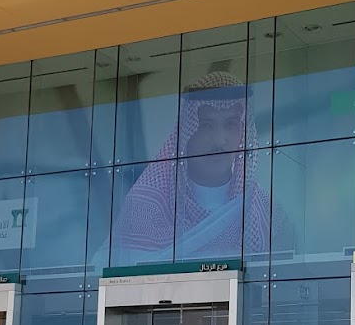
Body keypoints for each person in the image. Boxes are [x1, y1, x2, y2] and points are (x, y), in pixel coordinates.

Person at [112, 71, 292, 263]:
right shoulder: (144, 208)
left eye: (231, 125)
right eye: (206, 125)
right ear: (186, 133)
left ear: (243, 132)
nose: (219, 140)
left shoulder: (269, 215)